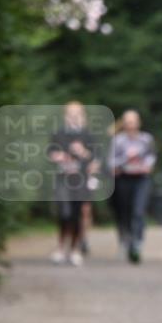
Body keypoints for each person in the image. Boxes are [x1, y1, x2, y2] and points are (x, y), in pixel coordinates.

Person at [47, 101, 99, 266]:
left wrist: (83, 152)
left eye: (77, 114)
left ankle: (75, 249)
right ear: (65, 115)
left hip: (80, 181)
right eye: (71, 113)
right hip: (63, 179)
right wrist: (58, 156)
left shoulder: (88, 135)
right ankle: (61, 248)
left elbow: (96, 158)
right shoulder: (58, 133)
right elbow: (50, 153)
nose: (74, 117)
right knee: (63, 213)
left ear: (82, 116)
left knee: (77, 215)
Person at [108, 110, 156, 263]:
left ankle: (137, 243)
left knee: (139, 211)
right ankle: (125, 240)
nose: (131, 124)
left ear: (138, 122)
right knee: (124, 212)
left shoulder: (146, 139)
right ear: (124, 123)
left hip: (142, 179)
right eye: (128, 122)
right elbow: (111, 162)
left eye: (133, 121)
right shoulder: (117, 141)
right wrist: (125, 159)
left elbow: (151, 156)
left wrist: (147, 165)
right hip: (123, 179)